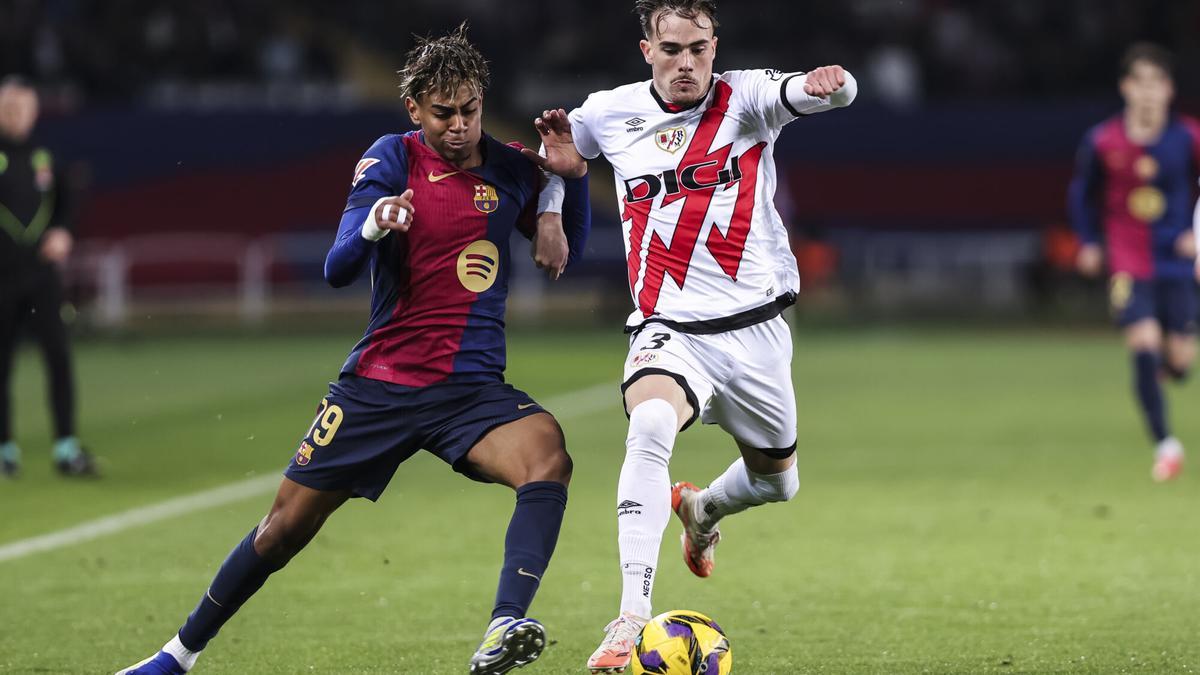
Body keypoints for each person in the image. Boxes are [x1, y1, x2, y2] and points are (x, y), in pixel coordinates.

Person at [115, 25, 590, 675]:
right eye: (443, 113)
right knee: (282, 528)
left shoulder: (509, 169)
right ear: (415, 110)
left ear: (483, 102)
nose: (459, 126)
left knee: (547, 455)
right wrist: (374, 224)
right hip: (379, 384)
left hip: (469, 390)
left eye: (470, 111)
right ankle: (176, 655)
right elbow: (338, 268)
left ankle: (503, 623)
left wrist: (572, 185)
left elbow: (570, 251)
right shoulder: (392, 160)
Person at [527, 1, 856, 670]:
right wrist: (553, 213)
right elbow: (557, 156)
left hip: (758, 331)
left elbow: (832, 91)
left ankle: (701, 510)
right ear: (646, 48)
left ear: (715, 46)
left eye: (698, 49)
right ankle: (629, 618)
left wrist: (834, 82)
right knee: (649, 425)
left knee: (777, 483)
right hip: (670, 329)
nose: (686, 63)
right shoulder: (609, 111)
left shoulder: (749, 98)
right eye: (671, 48)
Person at [1069, 43, 1200, 482]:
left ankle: (1170, 366)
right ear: (1126, 87)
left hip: (1179, 262)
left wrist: (1196, 235)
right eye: (1138, 82)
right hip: (1129, 260)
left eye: (1155, 83)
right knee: (1142, 343)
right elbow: (1081, 196)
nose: (1147, 92)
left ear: (1168, 89)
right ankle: (1166, 444)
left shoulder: (1189, 138)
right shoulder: (1103, 141)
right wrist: (1088, 242)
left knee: (1180, 363)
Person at [0, 76, 96, 477]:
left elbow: (67, 202)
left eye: (24, 108)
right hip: (1, 277)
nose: (18, 115)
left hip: (41, 277)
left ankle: (66, 449)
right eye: (9, 108)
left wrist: (63, 231)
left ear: (35, 111)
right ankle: (4, 452)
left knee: (58, 358)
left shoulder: (44, 158)